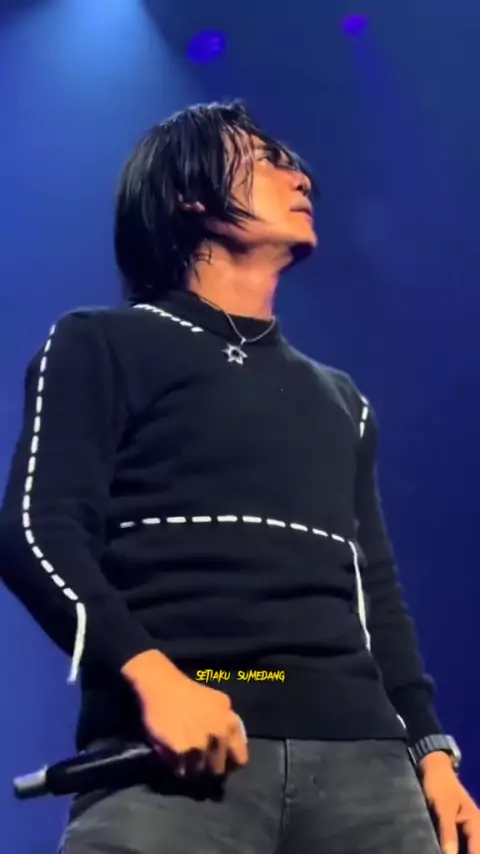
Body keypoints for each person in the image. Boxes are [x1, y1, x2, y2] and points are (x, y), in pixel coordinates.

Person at [0, 99, 478, 854]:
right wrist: (157, 681)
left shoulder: (341, 401)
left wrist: (432, 753)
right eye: (266, 160)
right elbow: (36, 530)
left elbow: (375, 594)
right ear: (188, 195)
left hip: (368, 773)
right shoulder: (100, 344)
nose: (301, 178)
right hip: (172, 760)